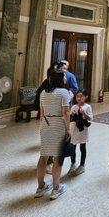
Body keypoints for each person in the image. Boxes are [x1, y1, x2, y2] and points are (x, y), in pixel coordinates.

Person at [35, 71, 71, 200]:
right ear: (60, 79)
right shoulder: (64, 92)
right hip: (58, 124)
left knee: (43, 156)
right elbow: (66, 112)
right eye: (64, 76)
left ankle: (40, 187)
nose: (66, 77)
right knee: (57, 157)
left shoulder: (43, 93)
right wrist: (68, 129)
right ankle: (56, 188)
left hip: (45, 123)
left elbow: (42, 112)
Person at [68, 90, 93, 176]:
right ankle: (73, 163)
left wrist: (83, 113)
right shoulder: (73, 106)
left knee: (82, 147)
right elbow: (70, 118)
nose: (79, 98)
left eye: (81, 96)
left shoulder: (87, 106)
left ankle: (82, 165)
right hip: (74, 130)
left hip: (83, 131)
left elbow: (90, 118)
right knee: (72, 148)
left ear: (86, 97)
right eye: (77, 96)